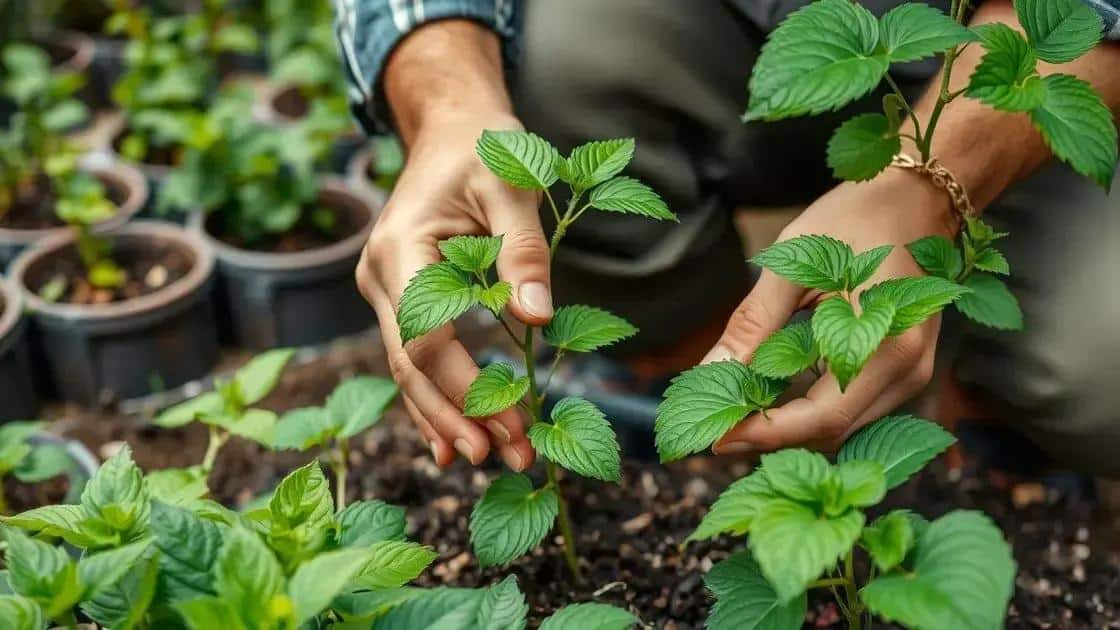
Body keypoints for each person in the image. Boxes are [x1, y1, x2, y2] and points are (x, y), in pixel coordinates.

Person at [337, 0, 1120, 474]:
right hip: (739, 23)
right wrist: (446, 102)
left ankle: (979, 423)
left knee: (1098, 376)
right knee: (550, 73)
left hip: (1027, 49)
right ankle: (701, 389)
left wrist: (930, 182)